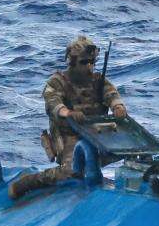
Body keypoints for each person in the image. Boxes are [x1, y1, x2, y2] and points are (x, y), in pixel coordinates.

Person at [8, 35, 128, 200]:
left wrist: (117, 106)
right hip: (69, 135)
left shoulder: (98, 80)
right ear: (72, 62)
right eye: (84, 62)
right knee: (70, 171)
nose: (89, 67)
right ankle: (28, 183)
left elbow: (111, 94)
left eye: (92, 62)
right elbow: (53, 103)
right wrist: (69, 113)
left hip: (97, 132)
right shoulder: (57, 82)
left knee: (134, 151)